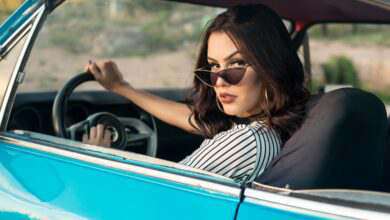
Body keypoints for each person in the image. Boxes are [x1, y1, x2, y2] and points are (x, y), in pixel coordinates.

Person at [82, 4, 309, 182]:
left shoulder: (245, 142)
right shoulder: (273, 130)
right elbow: (193, 119)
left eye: (237, 64)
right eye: (213, 66)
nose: (219, 81)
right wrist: (121, 87)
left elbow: (152, 198)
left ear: (271, 66)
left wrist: (99, 158)